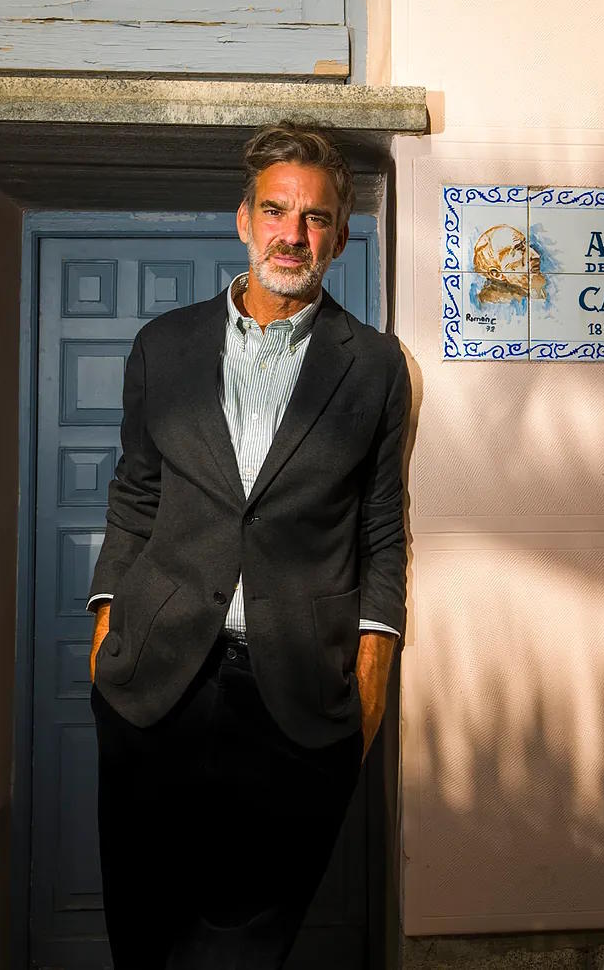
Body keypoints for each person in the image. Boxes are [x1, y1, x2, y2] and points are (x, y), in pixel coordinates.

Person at [86, 121, 411, 970]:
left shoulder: (376, 368)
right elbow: (136, 495)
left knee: (248, 945)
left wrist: (369, 685)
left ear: (340, 234)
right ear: (244, 219)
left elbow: (381, 530)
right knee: (144, 930)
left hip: (296, 699)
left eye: (314, 218)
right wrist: (105, 636)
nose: (292, 234)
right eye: (277, 211)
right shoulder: (165, 345)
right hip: (153, 687)